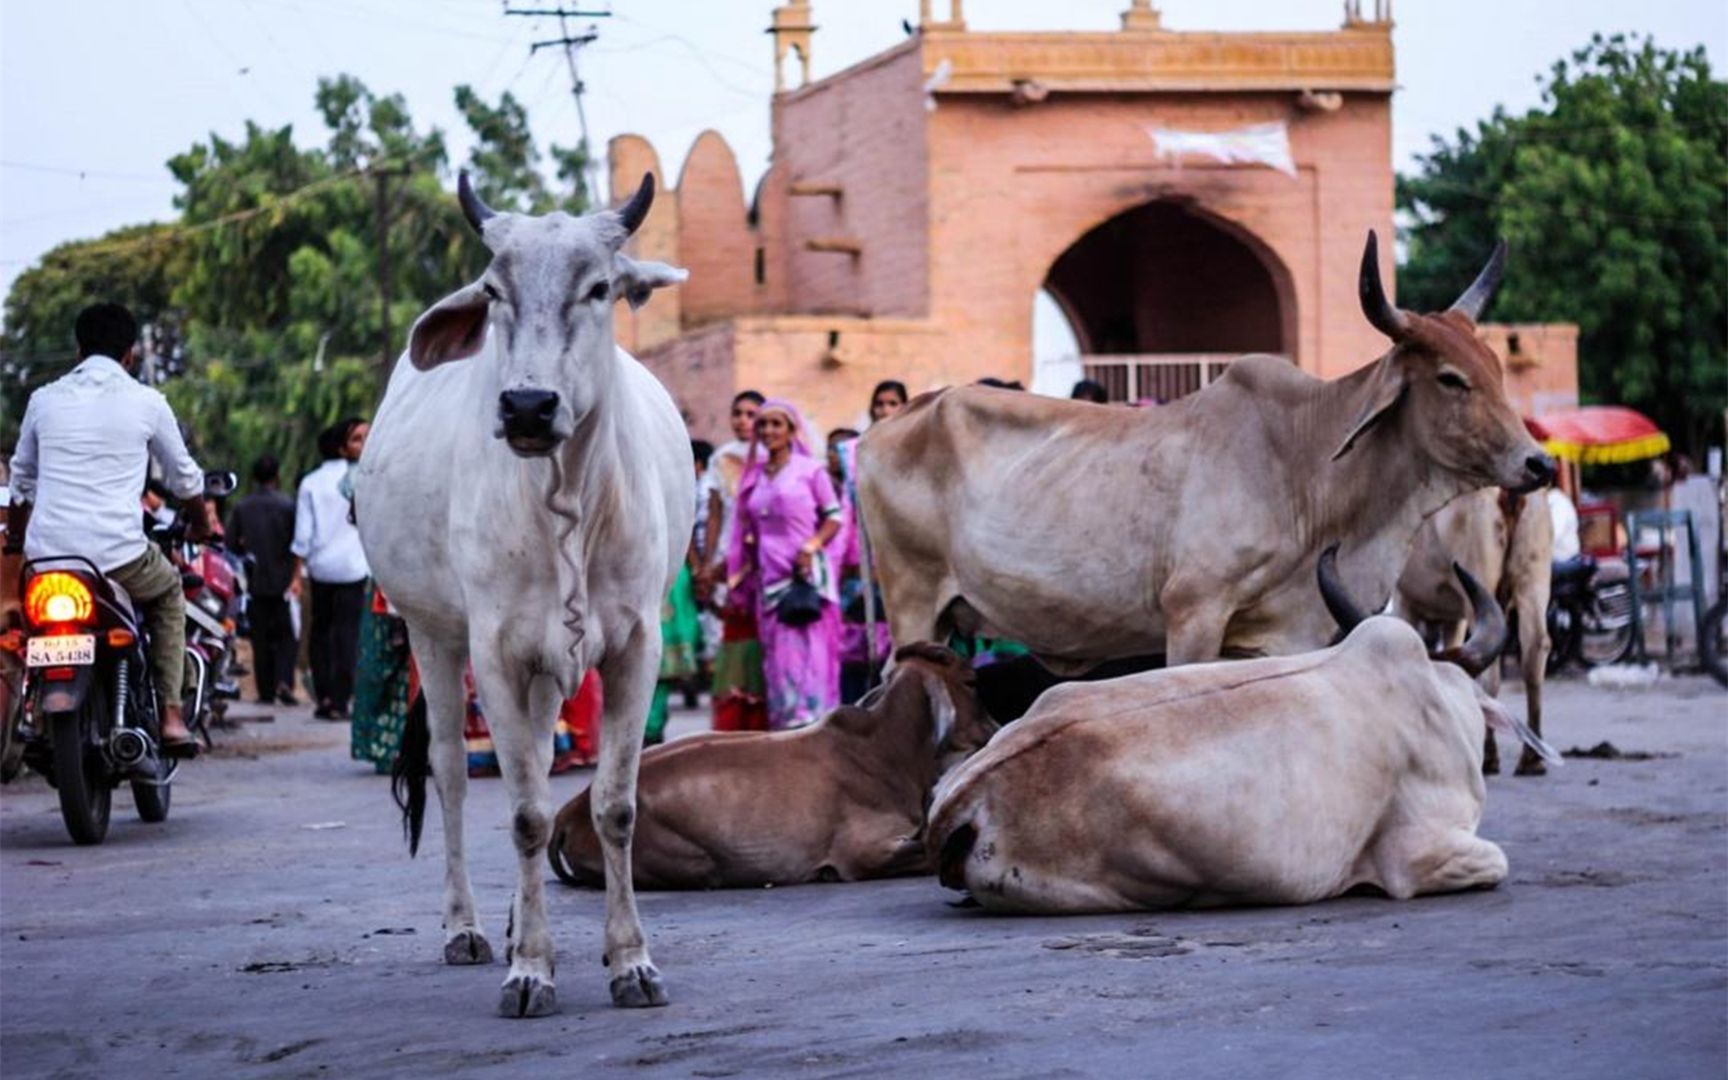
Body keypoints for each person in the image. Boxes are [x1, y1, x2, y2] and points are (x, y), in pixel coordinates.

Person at [5, 303, 211, 753]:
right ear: (131, 354)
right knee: (169, 593)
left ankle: (30, 710)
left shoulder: (43, 400)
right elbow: (185, 478)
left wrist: (16, 541)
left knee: (30, 625)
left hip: (48, 556)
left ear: (78, 350)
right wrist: (200, 522)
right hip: (121, 555)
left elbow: (21, 483)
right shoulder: (147, 401)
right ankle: (172, 714)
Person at [726, 398, 843, 728]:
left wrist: (812, 545)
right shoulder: (754, 477)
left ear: (792, 430)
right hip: (769, 580)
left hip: (805, 579)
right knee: (778, 663)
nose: (767, 431)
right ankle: (788, 730)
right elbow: (747, 527)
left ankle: (817, 728)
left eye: (776, 424)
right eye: (763, 425)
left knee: (811, 659)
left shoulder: (811, 472)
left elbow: (834, 517)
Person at [292, 418, 370, 719]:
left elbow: (302, 536)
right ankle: (341, 700)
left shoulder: (310, 482)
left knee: (320, 632)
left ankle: (323, 697)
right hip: (355, 567)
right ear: (342, 447)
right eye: (357, 439)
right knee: (347, 634)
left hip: (321, 568)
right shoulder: (366, 477)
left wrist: (298, 572)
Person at [700, 391, 769, 731]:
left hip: (767, 560)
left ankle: (762, 715)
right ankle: (735, 715)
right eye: (738, 413)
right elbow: (714, 512)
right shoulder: (722, 458)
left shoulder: (777, 456)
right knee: (732, 633)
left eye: (752, 414)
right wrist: (708, 562)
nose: (744, 420)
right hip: (729, 558)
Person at [227, 455, 299, 705]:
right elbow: (297, 543)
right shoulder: (287, 505)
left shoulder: (242, 507)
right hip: (283, 581)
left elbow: (230, 545)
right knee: (286, 637)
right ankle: (284, 681)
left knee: (261, 639)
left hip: (254, 582)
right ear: (277, 475)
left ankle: (266, 691)